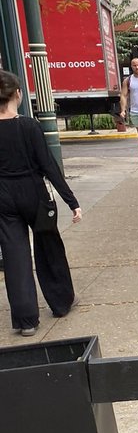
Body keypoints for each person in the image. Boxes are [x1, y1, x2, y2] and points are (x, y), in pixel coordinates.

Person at [0, 70, 82, 336]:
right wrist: (71, 201)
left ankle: (26, 320)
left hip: (4, 196)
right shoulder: (29, 126)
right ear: (17, 94)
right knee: (49, 247)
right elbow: (48, 166)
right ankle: (61, 301)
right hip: (34, 193)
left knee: (15, 256)